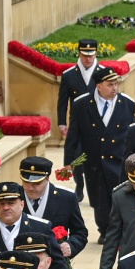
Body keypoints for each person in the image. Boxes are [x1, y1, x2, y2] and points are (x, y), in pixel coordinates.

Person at [71, 67, 135, 245]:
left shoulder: (127, 103)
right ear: (99, 86)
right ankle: (105, 230)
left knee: (120, 196)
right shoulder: (82, 104)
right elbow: (74, 135)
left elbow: (133, 134)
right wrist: (69, 161)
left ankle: (120, 230)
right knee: (99, 198)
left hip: (119, 160)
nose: (114, 88)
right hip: (95, 162)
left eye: (116, 84)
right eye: (110, 84)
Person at [0, 181, 69, 269]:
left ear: (22, 204)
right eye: (1, 204)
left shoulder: (41, 228)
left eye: (11, 203)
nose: (5, 208)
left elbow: (58, 266)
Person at [20, 157, 89, 264]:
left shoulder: (66, 198)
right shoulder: (14, 197)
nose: (30, 188)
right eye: (26, 182)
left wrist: (71, 245)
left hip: (56, 265)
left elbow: (80, 232)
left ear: (47, 178)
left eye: (37, 183)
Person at [57, 39, 101, 201]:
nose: (87, 59)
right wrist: (62, 122)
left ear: (96, 54)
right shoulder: (69, 75)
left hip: (98, 125)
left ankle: (95, 187)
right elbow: (62, 102)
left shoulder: (103, 74)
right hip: (77, 126)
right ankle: (79, 185)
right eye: (84, 55)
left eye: (91, 55)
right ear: (79, 54)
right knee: (76, 158)